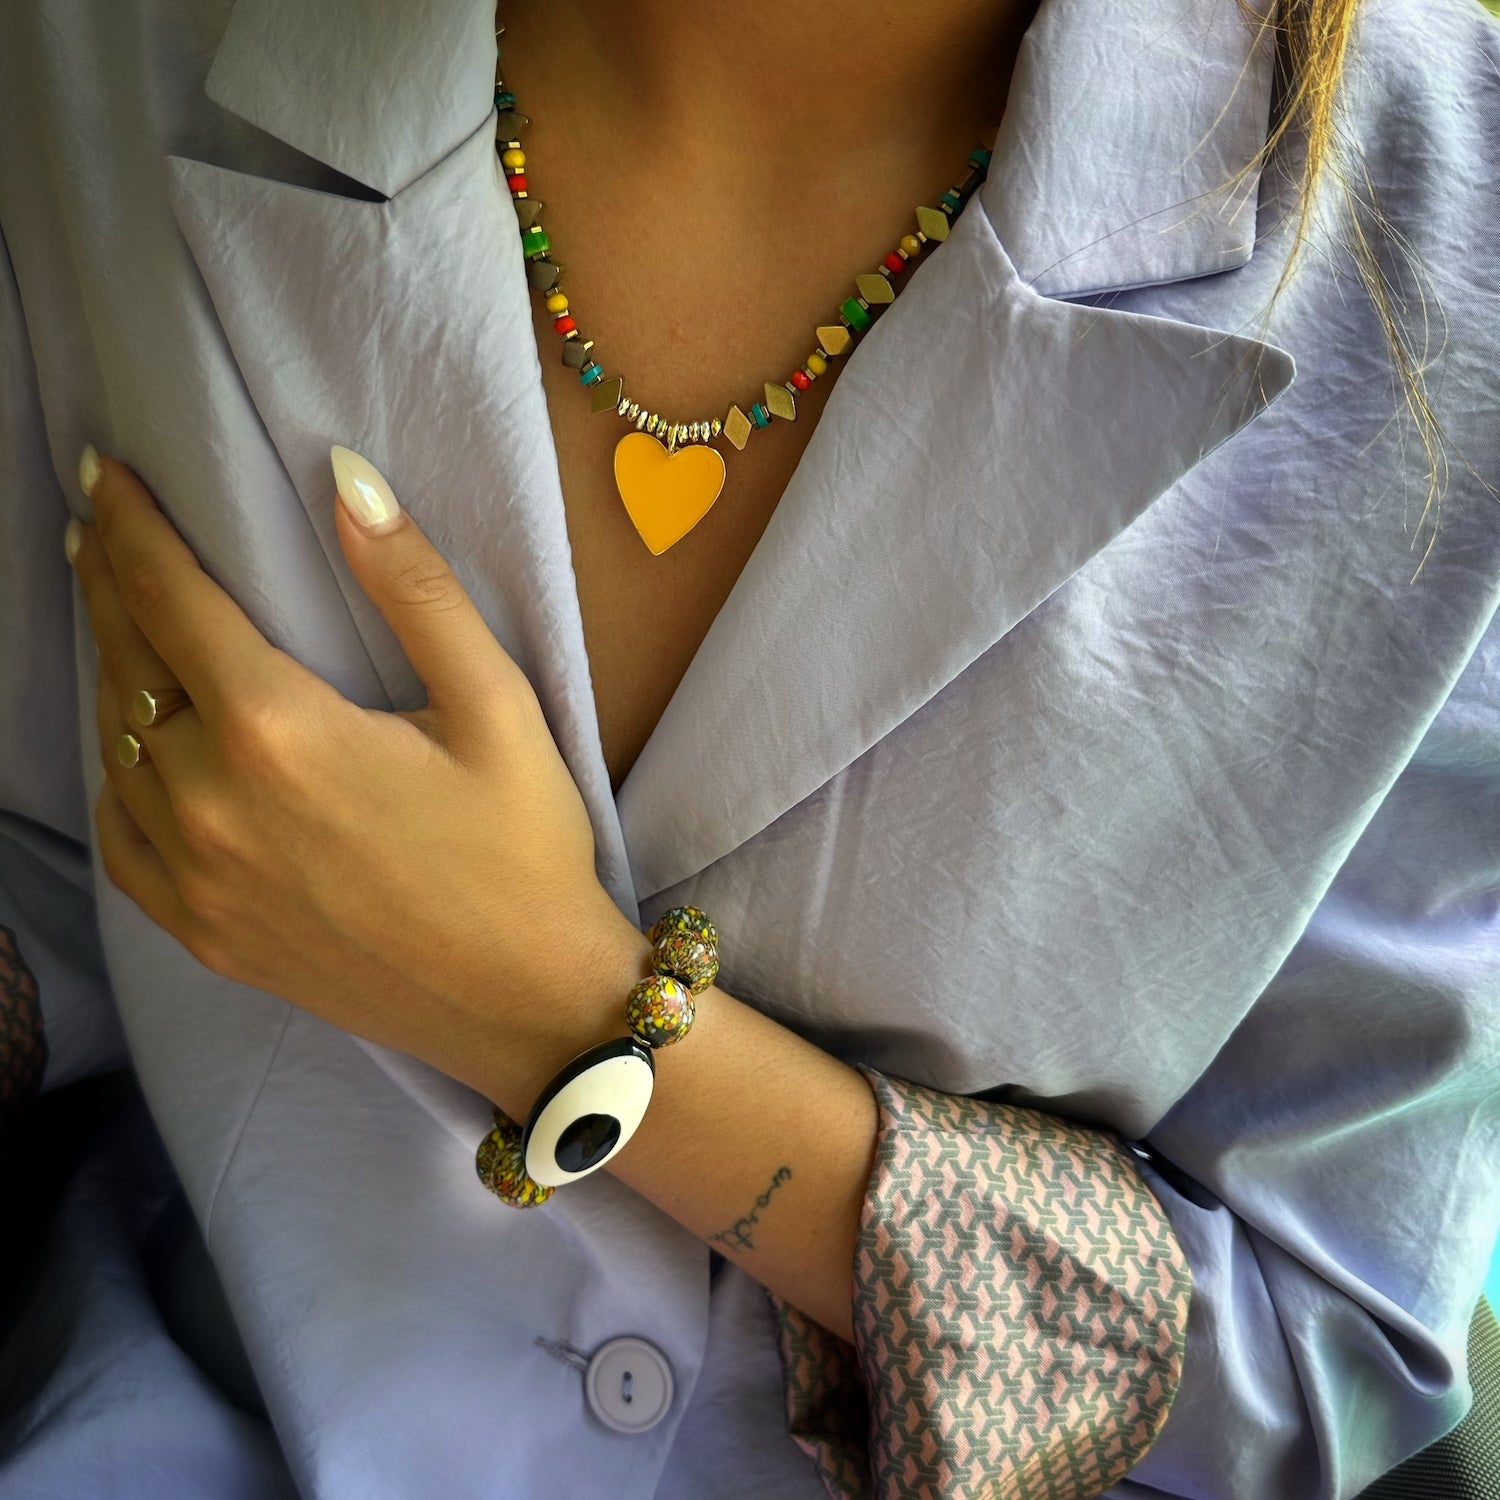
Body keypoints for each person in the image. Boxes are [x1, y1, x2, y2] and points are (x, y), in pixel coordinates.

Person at [1, 0, 1497, 1495]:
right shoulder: (89, 47)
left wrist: (562, 1018)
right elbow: (47, 884)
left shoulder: (1464, 247)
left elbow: (1320, 1346)